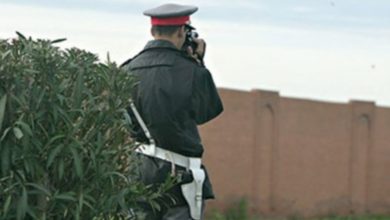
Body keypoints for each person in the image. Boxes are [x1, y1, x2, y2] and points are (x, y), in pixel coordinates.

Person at [121, 3, 223, 220]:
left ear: (152, 31)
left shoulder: (126, 69)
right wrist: (198, 62)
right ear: (182, 31)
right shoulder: (193, 72)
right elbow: (207, 112)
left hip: (138, 171)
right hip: (180, 177)